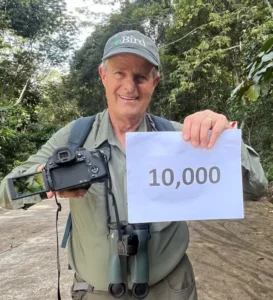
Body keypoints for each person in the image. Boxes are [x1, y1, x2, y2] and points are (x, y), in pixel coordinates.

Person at [0, 30, 268, 300]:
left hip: (169, 289)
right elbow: (7, 192)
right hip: (96, 292)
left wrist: (223, 139)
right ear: (103, 76)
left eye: (141, 76)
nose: (130, 87)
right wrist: (45, 180)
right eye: (119, 73)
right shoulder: (74, 138)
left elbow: (256, 186)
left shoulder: (180, 139)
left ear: (155, 81)